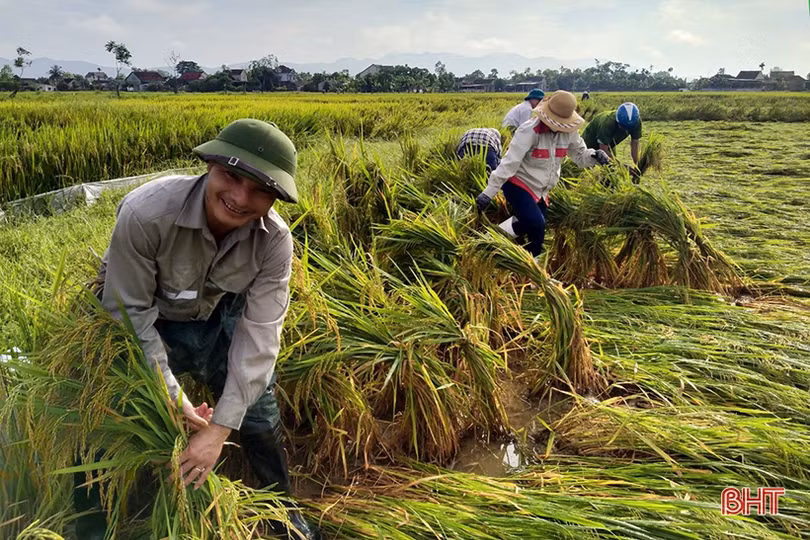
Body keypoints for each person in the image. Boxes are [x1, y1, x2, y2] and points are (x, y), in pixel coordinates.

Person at [78, 118, 319, 539]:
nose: (241, 198)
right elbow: (128, 310)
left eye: (261, 189)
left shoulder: (275, 242)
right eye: (231, 175)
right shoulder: (146, 213)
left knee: (259, 411)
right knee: (108, 412)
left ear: (276, 196)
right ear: (209, 164)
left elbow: (261, 335)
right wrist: (173, 398)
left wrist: (218, 429)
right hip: (143, 315)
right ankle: (92, 523)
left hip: (217, 312)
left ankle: (282, 512)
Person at [476, 91, 610, 257]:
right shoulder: (529, 131)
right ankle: (533, 265)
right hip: (518, 184)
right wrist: (488, 193)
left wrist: (595, 156)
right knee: (537, 224)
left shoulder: (569, 132)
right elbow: (509, 164)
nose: (561, 126)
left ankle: (489, 240)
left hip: (542, 190)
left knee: (531, 226)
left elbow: (580, 156)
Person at [582, 102, 642, 180]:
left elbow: (634, 144)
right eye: (622, 126)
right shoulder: (607, 123)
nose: (624, 130)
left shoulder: (635, 122)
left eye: (628, 128)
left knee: (611, 170)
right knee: (586, 167)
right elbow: (603, 151)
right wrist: (623, 167)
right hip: (590, 141)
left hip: (610, 142)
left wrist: (636, 165)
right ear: (617, 121)